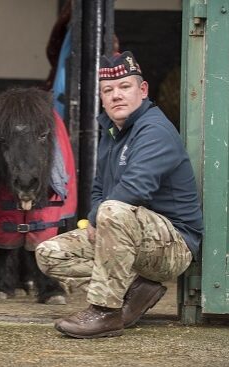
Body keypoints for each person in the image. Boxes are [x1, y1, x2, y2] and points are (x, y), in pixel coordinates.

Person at [35, 51, 203, 339]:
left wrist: (99, 220)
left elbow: (135, 190)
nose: (116, 96)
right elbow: (98, 188)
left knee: (113, 209)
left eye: (125, 87)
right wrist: (95, 219)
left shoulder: (155, 130)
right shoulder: (112, 132)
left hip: (173, 245)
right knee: (49, 254)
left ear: (143, 90)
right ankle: (137, 290)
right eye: (108, 90)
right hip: (126, 233)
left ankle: (105, 312)